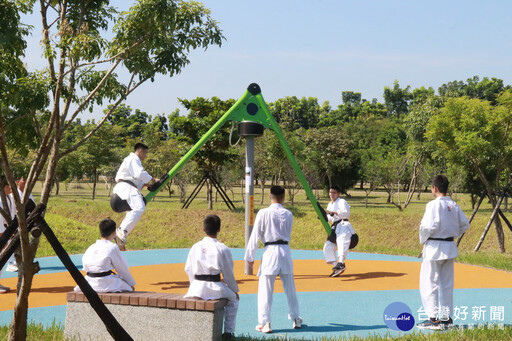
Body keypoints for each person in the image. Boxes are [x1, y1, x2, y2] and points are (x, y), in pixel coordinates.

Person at [244, 185, 302, 333]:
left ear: (270, 196)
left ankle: (265, 322)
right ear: (283, 198)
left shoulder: (263, 213)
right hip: (285, 251)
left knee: (265, 289)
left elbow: (255, 235)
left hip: (270, 251)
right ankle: (296, 318)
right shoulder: (288, 214)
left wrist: (250, 257)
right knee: (290, 287)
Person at [416, 175, 469, 330]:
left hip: (434, 247)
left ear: (435, 188)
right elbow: (465, 225)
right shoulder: (454, 205)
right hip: (449, 246)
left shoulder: (433, 205)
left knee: (429, 283)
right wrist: (451, 232)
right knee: (446, 284)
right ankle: (446, 319)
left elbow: (428, 227)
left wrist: (424, 239)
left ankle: (433, 319)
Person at [184, 215, 239, 339]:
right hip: (215, 287)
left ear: (203, 229)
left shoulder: (195, 247)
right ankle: (228, 332)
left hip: (196, 286)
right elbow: (228, 273)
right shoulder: (222, 248)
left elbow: (188, 268)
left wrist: (194, 285)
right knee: (234, 299)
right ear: (219, 229)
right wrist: (234, 290)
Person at [74, 218, 135, 293]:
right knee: (129, 289)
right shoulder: (112, 247)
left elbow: (85, 266)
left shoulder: (91, 247)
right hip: (106, 282)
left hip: (89, 281)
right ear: (114, 232)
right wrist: (130, 283)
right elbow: (122, 267)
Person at [112, 142, 153, 250]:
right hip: (126, 188)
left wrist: (146, 184)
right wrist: (153, 179)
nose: (145, 156)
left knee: (135, 212)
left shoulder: (130, 160)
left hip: (127, 187)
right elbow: (139, 173)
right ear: (140, 151)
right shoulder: (134, 159)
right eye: (145, 153)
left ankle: (121, 236)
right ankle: (121, 231)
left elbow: (135, 179)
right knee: (139, 208)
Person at [322, 185, 355, 277]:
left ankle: (341, 263)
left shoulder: (342, 201)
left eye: (334, 192)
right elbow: (329, 218)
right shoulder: (330, 204)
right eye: (330, 192)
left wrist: (333, 212)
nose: (331, 194)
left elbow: (346, 213)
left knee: (342, 243)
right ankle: (337, 267)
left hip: (343, 225)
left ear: (338, 193)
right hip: (334, 227)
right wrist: (323, 216)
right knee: (327, 247)